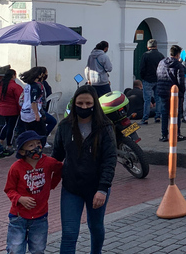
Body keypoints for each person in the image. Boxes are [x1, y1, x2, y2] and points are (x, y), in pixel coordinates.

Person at [52, 85, 117, 254]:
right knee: (69, 233)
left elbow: (110, 159)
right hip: (71, 188)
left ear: (95, 103)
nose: (84, 107)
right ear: (74, 103)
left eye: (88, 103)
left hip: (97, 188)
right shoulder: (65, 126)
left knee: (95, 227)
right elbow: (56, 155)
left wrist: (103, 189)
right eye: (80, 103)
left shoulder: (105, 126)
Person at [4, 130, 63, 254]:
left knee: (38, 248)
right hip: (18, 217)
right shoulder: (16, 167)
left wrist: (51, 185)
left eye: (38, 143)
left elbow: (60, 170)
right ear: (22, 151)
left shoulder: (48, 162)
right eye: (31, 145)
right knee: (15, 248)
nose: (36, 147)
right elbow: (9, 189)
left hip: (40, 217)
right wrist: (19, 198)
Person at [156, 44, 186, 142]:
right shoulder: (178, 65)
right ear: (178, 54)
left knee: (164, 113)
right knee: (176, 114)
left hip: (162, 91)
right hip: (174, 93)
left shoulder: (161, 62)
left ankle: (164, 135)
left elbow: (158, 74)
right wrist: (182, 92)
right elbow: (181, 81)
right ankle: (176, 134)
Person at [0, 69, 24, 152]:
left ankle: (1, 140)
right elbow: (19, 100)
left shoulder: (0, 86)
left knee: (7, 124)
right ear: (13, 76)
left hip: (3, 109)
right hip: (13, 110)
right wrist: (21, 111)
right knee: (11, 127)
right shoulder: (15, 87)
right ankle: (9, 144)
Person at [139, 39, 164, 124]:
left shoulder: (145, 55)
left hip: (148, 80)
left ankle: (145, 118)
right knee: (158, 99)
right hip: (158, 79)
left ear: (148, 46)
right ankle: (157, 117)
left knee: (147, 100)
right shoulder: (161, 55)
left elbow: (142, 68)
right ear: (156, 46)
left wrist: (143, 77)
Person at [19, 67, 48, 137]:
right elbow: (33, 101)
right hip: (32, 113)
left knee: (30, 134)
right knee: (42, 134)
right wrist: (36, 114)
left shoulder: (28, 85)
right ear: (39, 75)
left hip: (24, 112)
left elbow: (21, 99)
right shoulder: (36, 86)